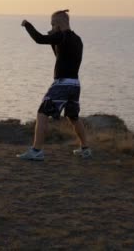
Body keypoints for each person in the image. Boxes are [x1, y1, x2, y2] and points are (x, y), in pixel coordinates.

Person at [16, 10, 91, 161]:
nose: (51, 26)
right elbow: (61, 57)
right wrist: (52, 40)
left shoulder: (61, 36)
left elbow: (38, 39)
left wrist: (27, 25)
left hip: (62, 84)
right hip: (75, 84)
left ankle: (36, 150)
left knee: (43, 112)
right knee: (73, 117)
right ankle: (85, 149)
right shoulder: (77, 39)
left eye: (52, 23)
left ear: (59, 23)